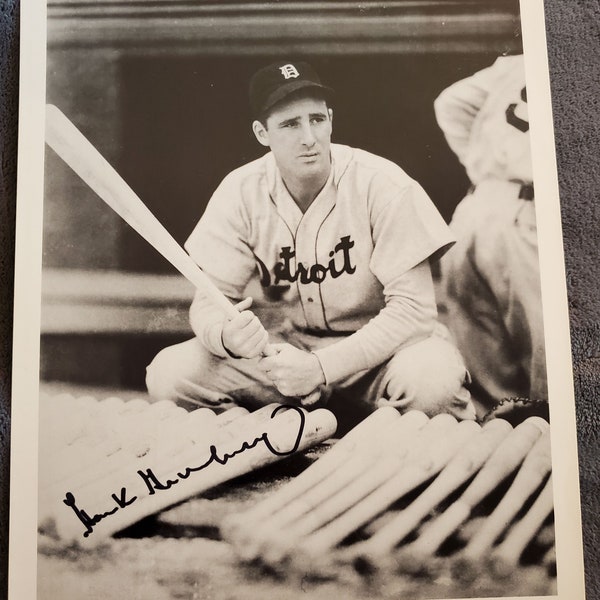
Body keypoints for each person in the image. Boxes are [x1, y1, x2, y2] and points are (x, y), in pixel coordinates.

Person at [146, 60, 476, 430]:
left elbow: (414, 312)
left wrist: (320, 369)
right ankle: (284, 446)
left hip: (385, 355)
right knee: (170, 374)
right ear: (261, 132)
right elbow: (210, 301)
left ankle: (313, 429)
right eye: (290, 124)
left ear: (330, 119)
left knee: (433, 383)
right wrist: (223, 334)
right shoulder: (240, 191)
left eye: (316, 119)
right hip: (291, 354)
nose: (309, 137)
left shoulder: (382, 184)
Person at [434, 54, 548, 420]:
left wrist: (486, 167)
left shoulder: (522, 61)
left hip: (474, 208)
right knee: (547, 350)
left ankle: (498, 437)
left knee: (480, 348)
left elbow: (450, 103)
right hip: (528, 211)